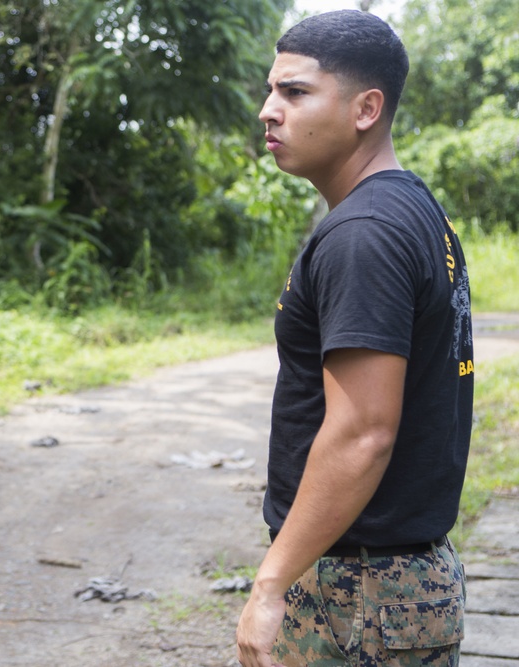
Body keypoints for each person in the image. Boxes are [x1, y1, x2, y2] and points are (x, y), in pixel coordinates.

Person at [236, 11, 474, 666]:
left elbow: (364, 432)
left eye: (295, 92)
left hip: (358, 592)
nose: (268, 110)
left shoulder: (363, 232)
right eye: (270, 90)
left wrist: (271, 581)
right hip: (395, 582)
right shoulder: (409, 209)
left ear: (366, 107)